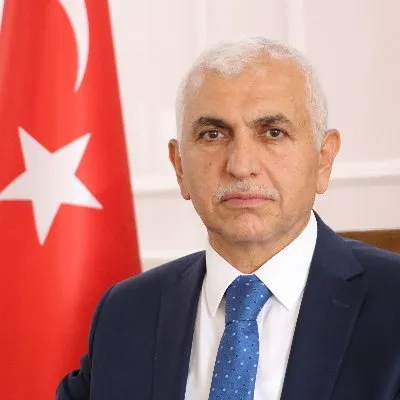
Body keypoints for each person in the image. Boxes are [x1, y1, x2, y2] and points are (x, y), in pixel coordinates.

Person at [57, 37, 400, 400]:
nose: (241, 165)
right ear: (179, 166)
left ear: (323, 160)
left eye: (273, 133)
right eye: (213, 134)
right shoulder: (125, 313)